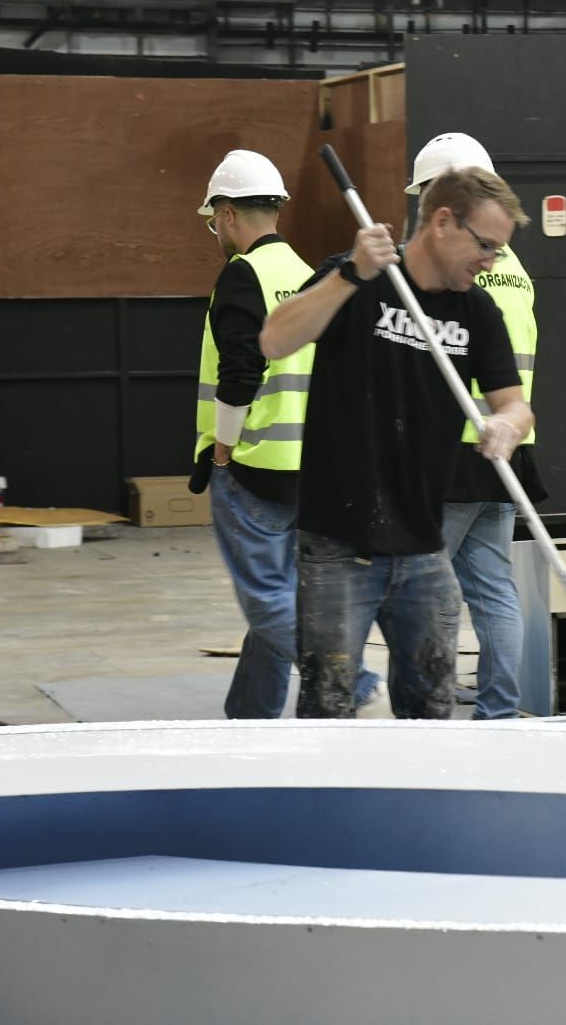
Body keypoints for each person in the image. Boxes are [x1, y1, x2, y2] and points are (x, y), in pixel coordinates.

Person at [259, 166, 533, 719]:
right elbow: (274, 339)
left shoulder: (476, 311)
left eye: (498, 251)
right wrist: (350, 275)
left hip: (425, 544)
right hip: (338, 542)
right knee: (328, 707)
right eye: (485, 245)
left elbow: (515, 404)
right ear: (443, 221)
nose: (490, 261)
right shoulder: (358, 279)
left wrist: (508, 424)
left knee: (431, 710)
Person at [188, 149, 381, 719]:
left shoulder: (242, 274)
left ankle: (354, 679)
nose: (215, 231)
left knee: (265, 598)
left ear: (226, 213)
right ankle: (251, 713)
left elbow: (240, 370)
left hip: (253, 464)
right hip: (310, 464)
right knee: (284, 592)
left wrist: (223, 448)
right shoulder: (306, 276)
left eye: (214, 220)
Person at [406, 133, 546, 721]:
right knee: (493, 590)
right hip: (508, 449)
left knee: (426, 589)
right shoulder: (515, 270)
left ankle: (430, 704)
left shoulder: (457, 275)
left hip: (456, 452)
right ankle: (499, 709)